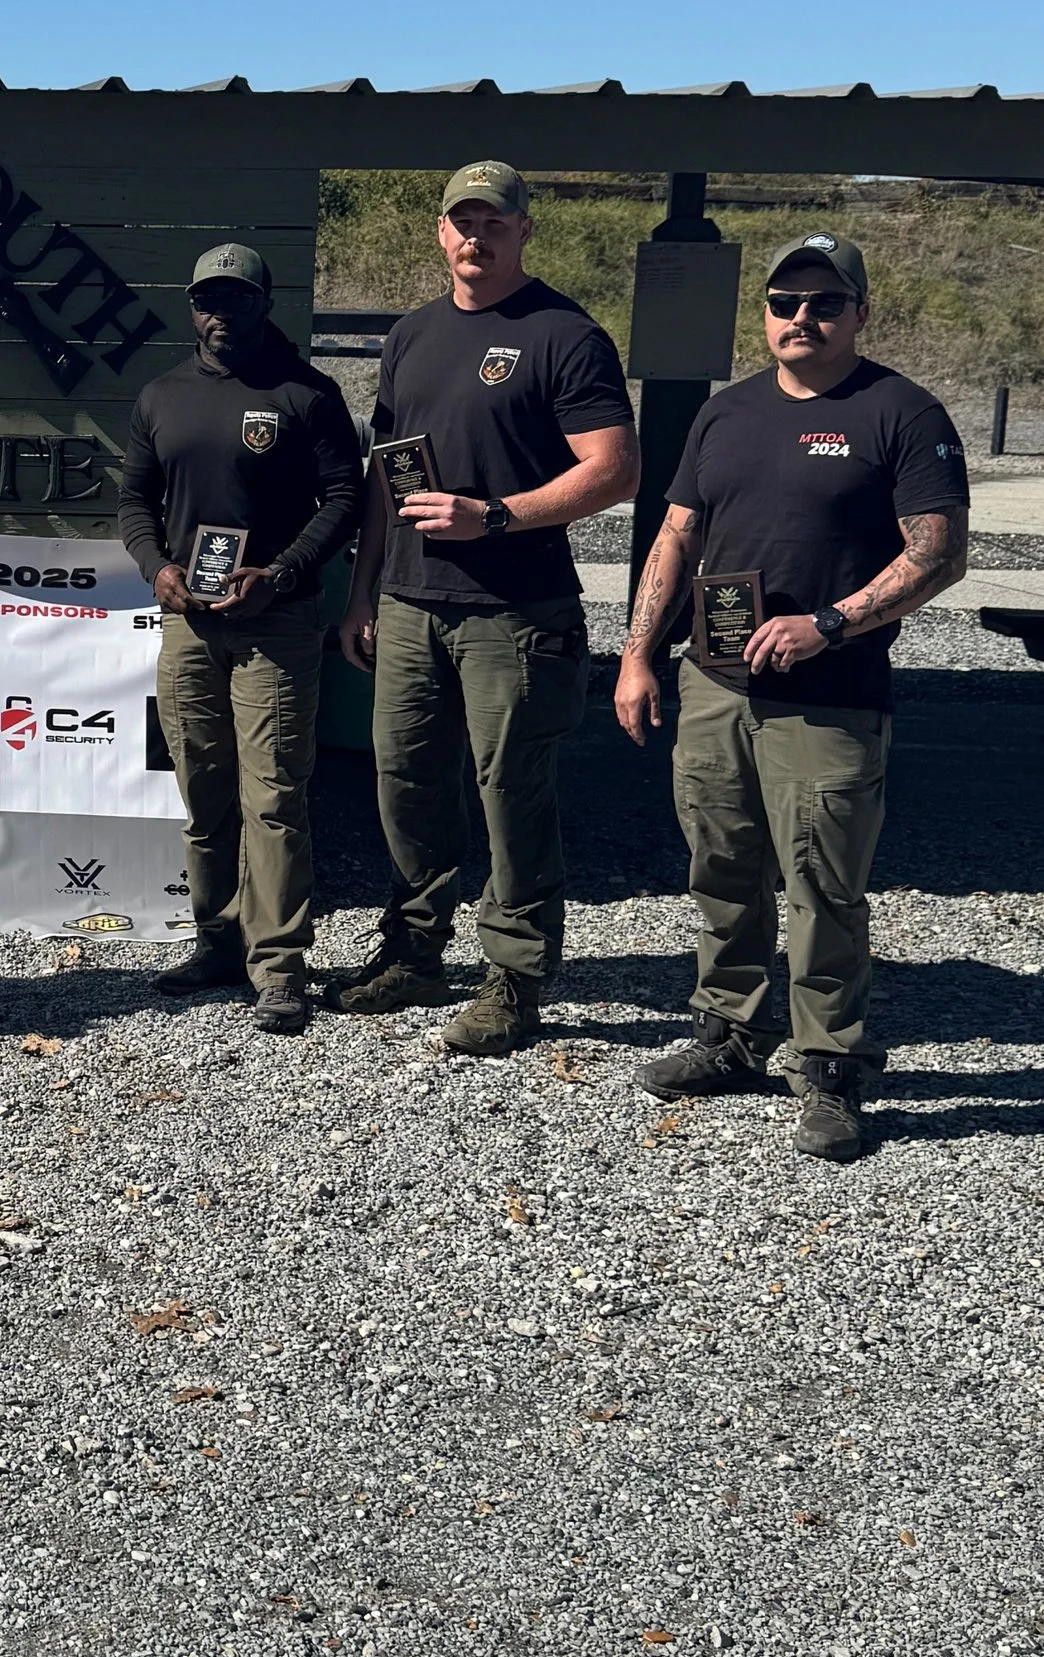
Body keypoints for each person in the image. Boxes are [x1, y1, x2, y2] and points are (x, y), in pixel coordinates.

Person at [614, 232, 967, 1160]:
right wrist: (639, 654)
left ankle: (831, 1064)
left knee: (822, 885)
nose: (799, 317)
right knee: (720, 866)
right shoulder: (726, 413)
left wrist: (833, 622)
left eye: (822, 302)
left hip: (832, 695)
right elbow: (675, 538)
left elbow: (937, 554)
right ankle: (732, 1032)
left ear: (859, 313)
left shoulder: (901, 410)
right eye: (783, 302)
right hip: (712, 684)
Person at [336, 159, 639, 1055]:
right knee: (407, 781)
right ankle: (418, 947)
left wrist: (495, 516)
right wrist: (362, 593)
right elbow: (385, 475)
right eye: (462, 221)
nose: (476, 236)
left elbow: (614, 469)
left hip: (516, 610)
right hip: (407, 604)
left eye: (494, 222)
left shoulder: (565, 335)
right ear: (440, 232)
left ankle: (515, 976)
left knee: (512, 791)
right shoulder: (413, 335)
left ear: (523, 230)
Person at [120, 241, 363, 1033]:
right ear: (192, 307)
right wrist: (157, 567)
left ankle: (280, 965)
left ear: (266, 302)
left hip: (276, 625)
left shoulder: (308, 394)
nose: (221, 315)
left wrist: (285, 573)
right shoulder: (161, 394)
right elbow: (134, 501)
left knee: (274, 798)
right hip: (189, 623)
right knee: (203, 791)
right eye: (207, 301)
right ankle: (217, 941)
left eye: (237, 300)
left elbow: (343, 498)